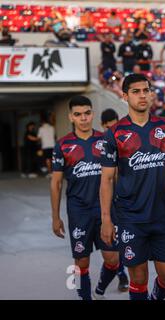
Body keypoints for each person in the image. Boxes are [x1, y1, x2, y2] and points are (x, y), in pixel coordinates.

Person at [100, 74, 165, 300]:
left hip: (162, 215)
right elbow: (106, 180)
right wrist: (106, 219)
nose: (142, 95)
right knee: (139, 279)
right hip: (130, 218)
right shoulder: (114, 133)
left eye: (146, 90)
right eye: (136, 91)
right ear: (125, 96)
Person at [50, 96, 121, 300]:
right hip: (78, 211)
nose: (84, 118)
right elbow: (55, 184)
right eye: (78, 114)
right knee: (82, 262)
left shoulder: (105, 140)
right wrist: (55, 217)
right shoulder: (62, 145)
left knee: (113, 259)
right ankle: (85, 297)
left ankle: (99, 290)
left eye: (87, 113)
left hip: (105, 209)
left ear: (93, 114)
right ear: (71, 117)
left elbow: (116, 176)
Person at [100, 108, 130, 292]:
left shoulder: (123, 139)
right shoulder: (100, 143)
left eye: (115, 123)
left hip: (122, 199)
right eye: (109, 125)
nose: (112, 128)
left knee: (122, 241)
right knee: (110, 246)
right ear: (103, 125)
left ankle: (122, 274)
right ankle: (120, 274)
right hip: (104, 201)